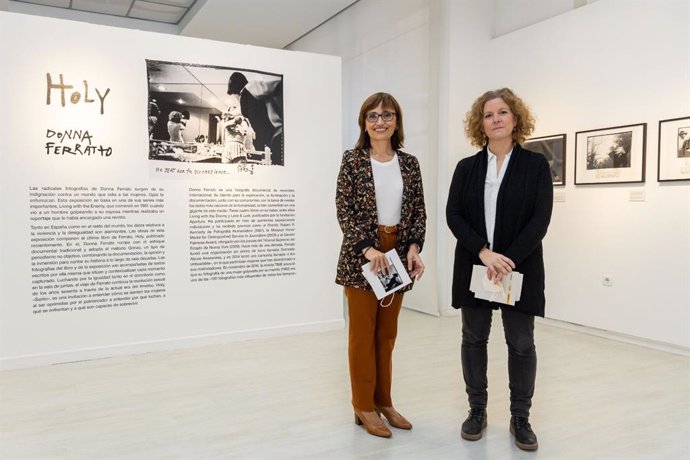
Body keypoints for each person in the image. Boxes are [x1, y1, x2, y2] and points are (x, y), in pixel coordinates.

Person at [446, 88, 553, 451]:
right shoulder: (466, 168)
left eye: (503, 112)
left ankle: (520, 416)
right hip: (476, 265)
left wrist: (506, 259)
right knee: (473, 338)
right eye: (488, 114)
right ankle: (477, 410)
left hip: (518, 268)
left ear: (516, 119)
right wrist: (484, 253)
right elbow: (453, 215)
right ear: (481, 123)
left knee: (521, 343)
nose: (496, 119)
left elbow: (540, 220)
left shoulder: (535, 165)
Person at [335, 92, 426, 438]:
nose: (380, 121)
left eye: (387, 115)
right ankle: (363, 404)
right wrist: (369, 249)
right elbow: (344, 209)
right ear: (364, 123)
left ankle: (384, 401)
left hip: (399, 254)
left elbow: (418, 210)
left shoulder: (410, 163)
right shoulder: (353, 160)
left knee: (386, 336)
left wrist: (414, 247)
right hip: (363, 256)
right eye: (372, 116)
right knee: (362, 336)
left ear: (397, 122)